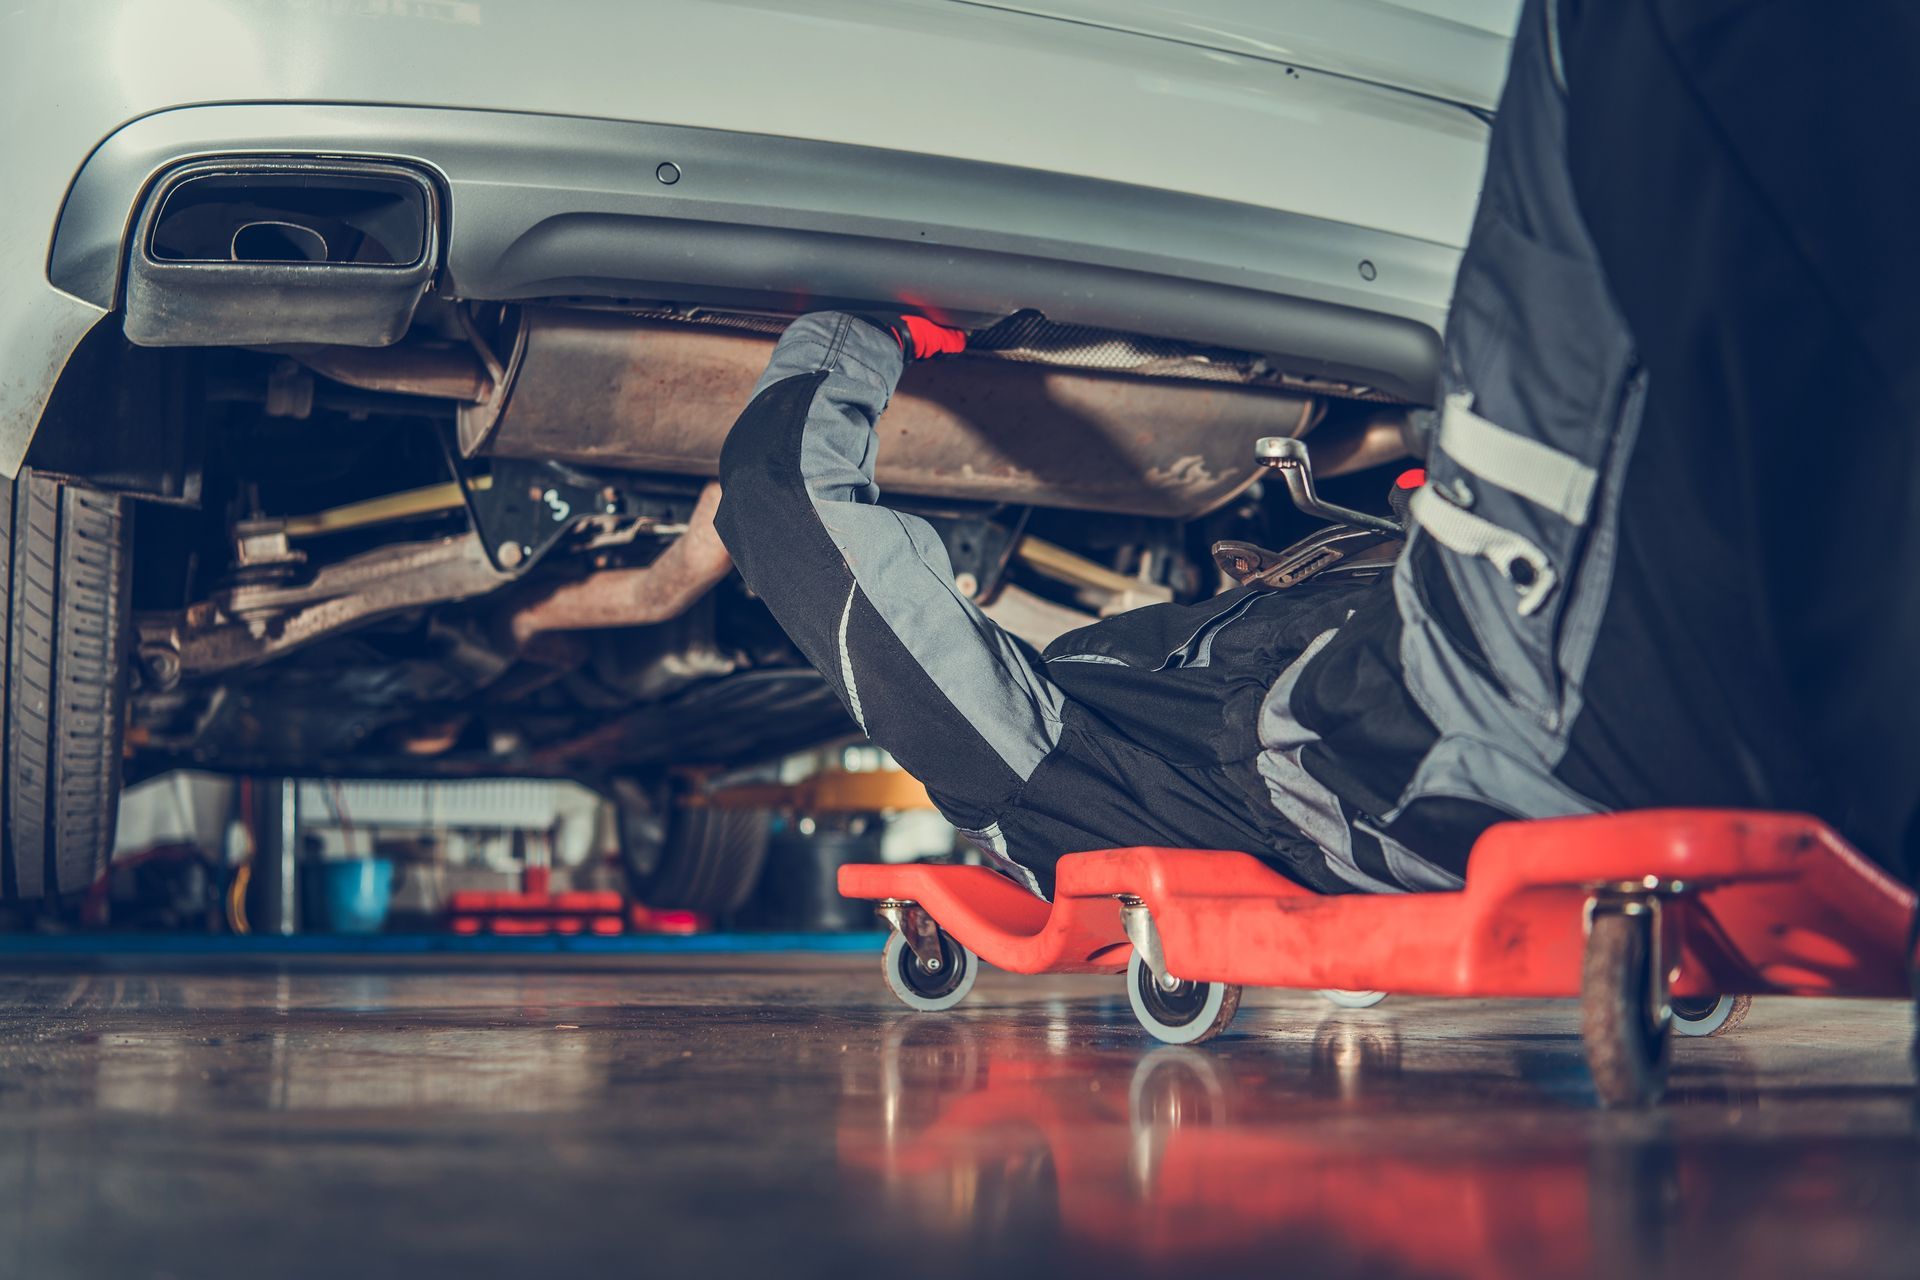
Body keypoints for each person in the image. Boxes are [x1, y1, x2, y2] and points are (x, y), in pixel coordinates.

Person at [716, 0, 1920, 899]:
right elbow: (789, 511)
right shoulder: (1053, 778)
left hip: (1628, 707)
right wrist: (860, 327)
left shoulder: (1098, 728)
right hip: (1511, 711)